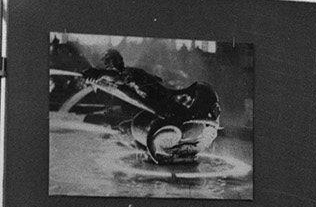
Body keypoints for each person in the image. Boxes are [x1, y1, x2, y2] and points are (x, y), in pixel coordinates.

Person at [82, 49, 221, 164]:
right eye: (107, 62)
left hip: (168, 110)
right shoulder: (132, 73)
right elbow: (122, 81)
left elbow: (118, 77)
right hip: (165, 108)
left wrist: (100, 74)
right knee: (125, 128)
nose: (109, 64)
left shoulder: (127, 74)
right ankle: (152, 151)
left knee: (128, 128)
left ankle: (162, 151)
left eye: (110, 61)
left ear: (117, 61)